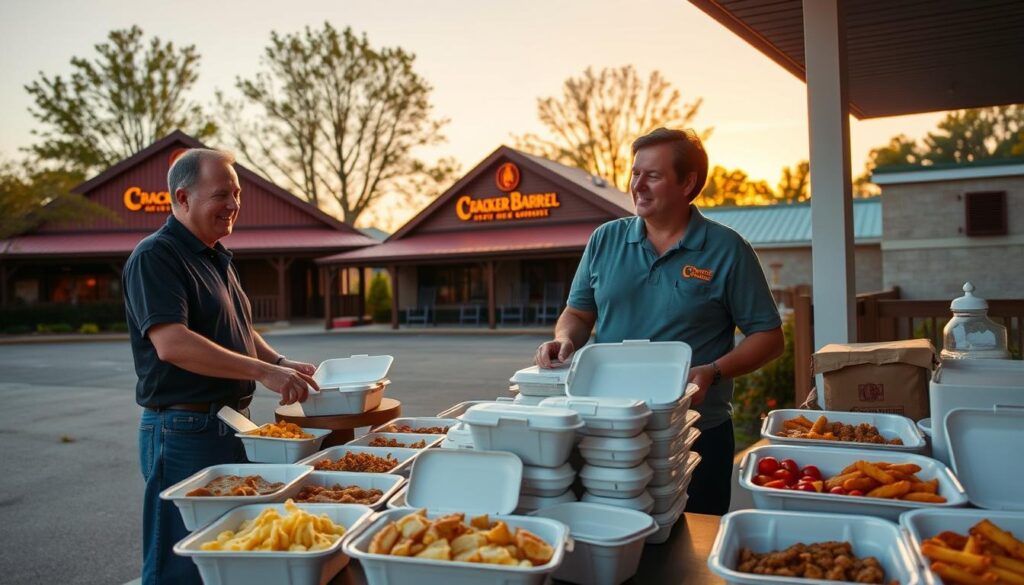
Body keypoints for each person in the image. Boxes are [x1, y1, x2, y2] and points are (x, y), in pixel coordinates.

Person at [535, 128, 784, 515]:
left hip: (695, 431)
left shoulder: (728, 249)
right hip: (608, 428)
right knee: (612, 536)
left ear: (688, 183)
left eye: (653, 175)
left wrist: (712, 372)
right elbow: (579, 313)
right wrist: (566, 338)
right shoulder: (605, 240)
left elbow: (769, 337)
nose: (638, 186)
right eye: (635, 173)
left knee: (692, 552)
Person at [123, 148, 320, 584]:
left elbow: (238, 329)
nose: (233, 204)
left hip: (230, 425)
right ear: (182, 197)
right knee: (178, 563)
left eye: (236, 193)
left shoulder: (215, 256)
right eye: (220, 195)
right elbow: (172, 344)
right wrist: (261, 372)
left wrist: (281, 362)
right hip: (182, 431)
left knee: (222, 552)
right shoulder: (156, 256)